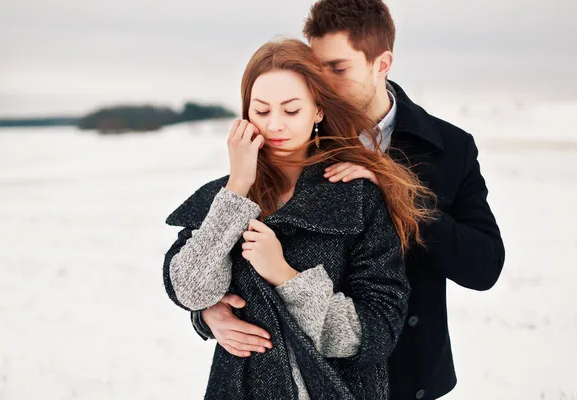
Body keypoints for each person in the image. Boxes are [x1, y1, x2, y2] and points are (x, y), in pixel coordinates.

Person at [190, 1, 506, 399]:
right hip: (304, 372)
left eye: (337, 69)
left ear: (382, 63)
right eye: (314, 69)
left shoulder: (448, 148)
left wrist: (396, 195)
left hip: (408, 373)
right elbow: (224, 250)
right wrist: (207, 311)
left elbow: (484, 267)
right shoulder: (292, 138)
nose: (321, 83)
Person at [163, 39, 434, 399]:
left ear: (317, 111)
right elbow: (191, 289)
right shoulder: (224, 196)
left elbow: (377, 331)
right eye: (261, 111)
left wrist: (286, 276)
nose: (275, 125)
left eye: (291, 111)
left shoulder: (357, 196)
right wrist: (238, 187)